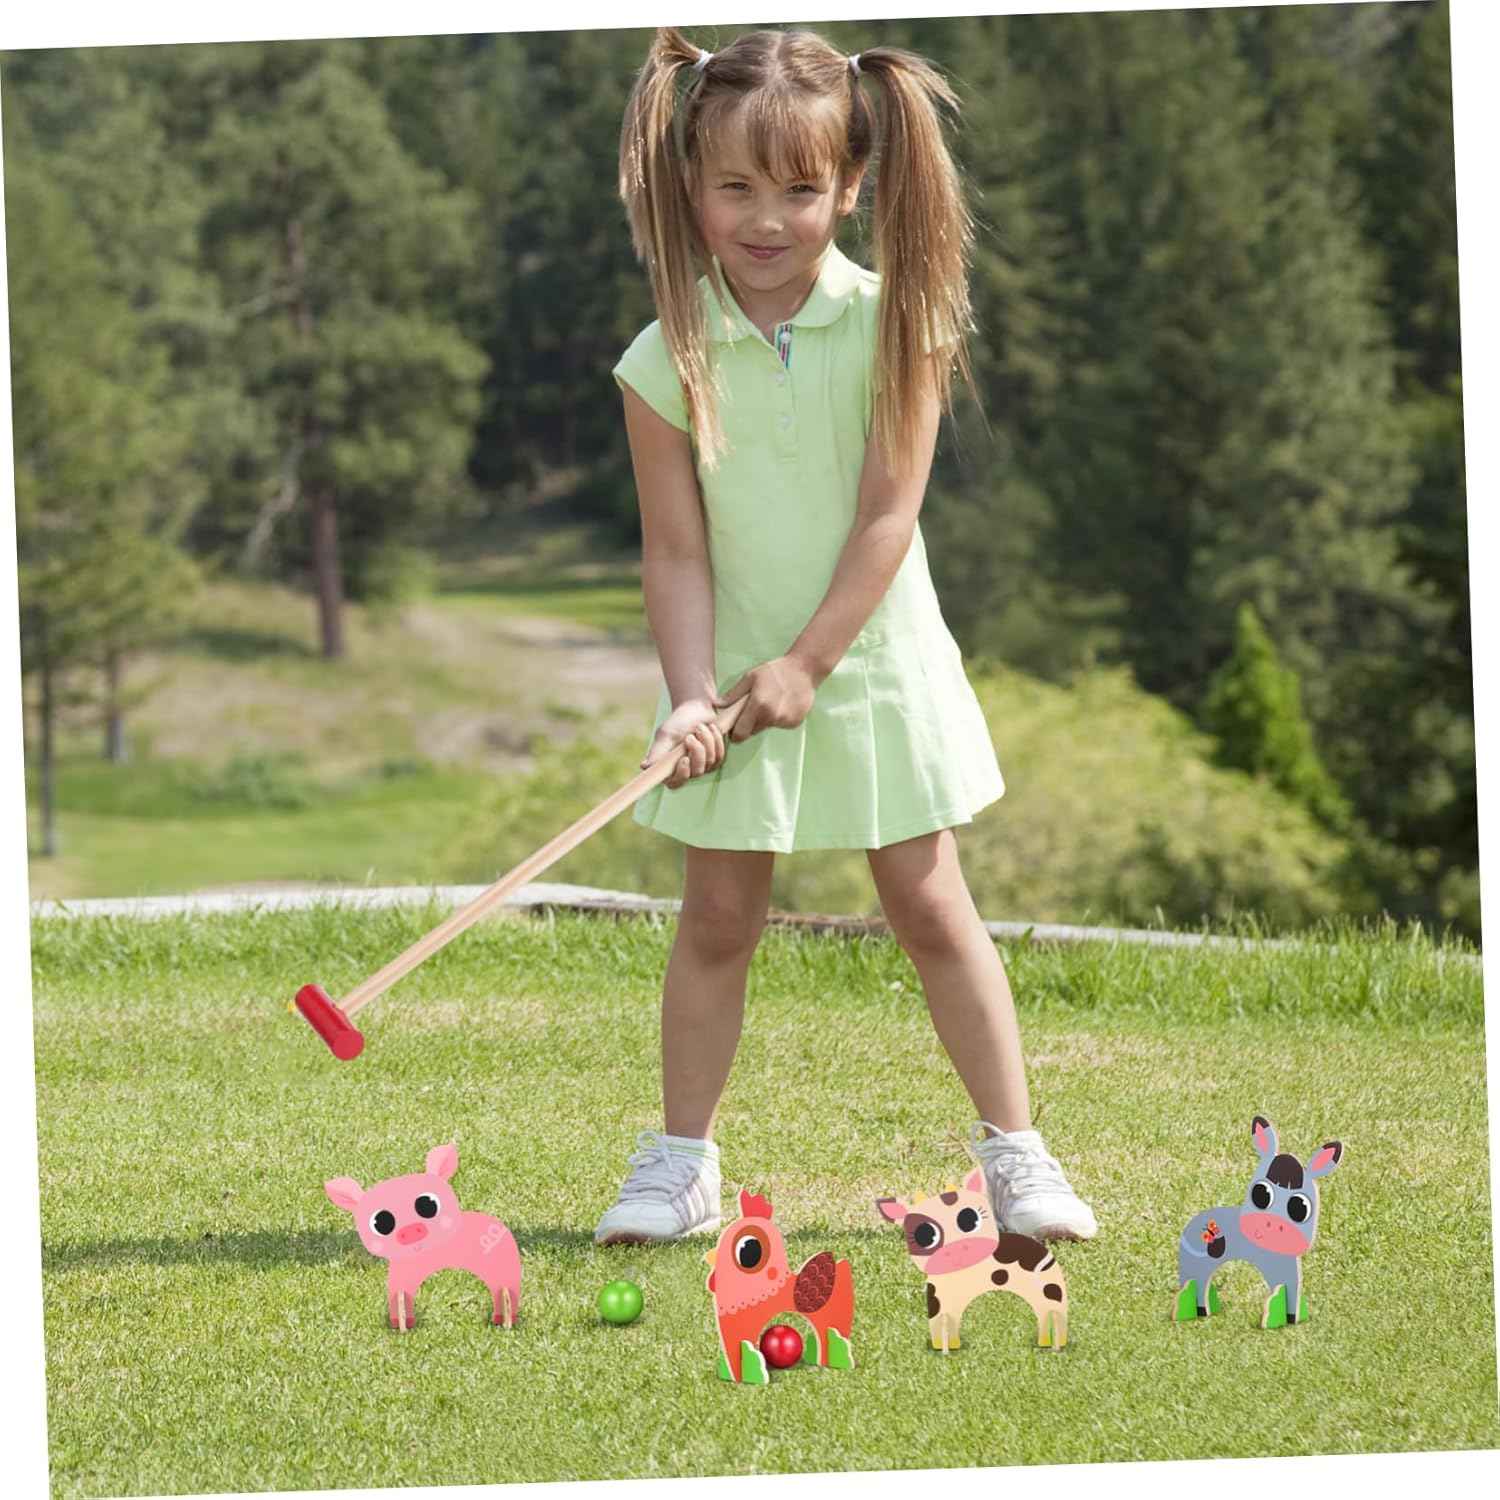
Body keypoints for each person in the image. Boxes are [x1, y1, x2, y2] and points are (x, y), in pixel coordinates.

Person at [595, 24, 1096, 1247]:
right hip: (732, 676)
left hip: (870, 662)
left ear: (853, 185)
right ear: (689, 184)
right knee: (718, 917)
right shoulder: (663, 360)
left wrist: (810, 662)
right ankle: (680, 1166)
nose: (766, 219)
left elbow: (886, 517)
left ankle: (1017, 1154)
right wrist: (689, 693)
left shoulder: (898, 325)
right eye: (735, 187)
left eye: (800, 188)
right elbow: (676, 553)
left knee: (928, 904)